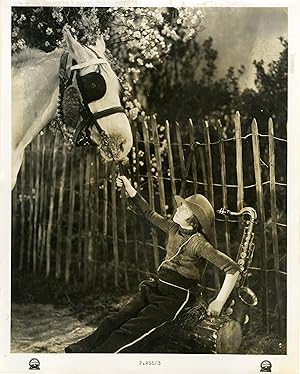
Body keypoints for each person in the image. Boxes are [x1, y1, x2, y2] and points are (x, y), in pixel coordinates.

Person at [65, 175, 240, 353]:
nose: (178, 209)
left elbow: (232, 269)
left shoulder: (198, 243)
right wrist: (129, 187)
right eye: (181, 206)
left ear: (194, 220)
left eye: (185, 209)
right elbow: (149, 213)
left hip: (176, 296)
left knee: (133, 330)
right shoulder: (173, 228)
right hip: (157, 286)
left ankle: (99, 360)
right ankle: (80, 349)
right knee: (118, 318)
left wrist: (219, 301)